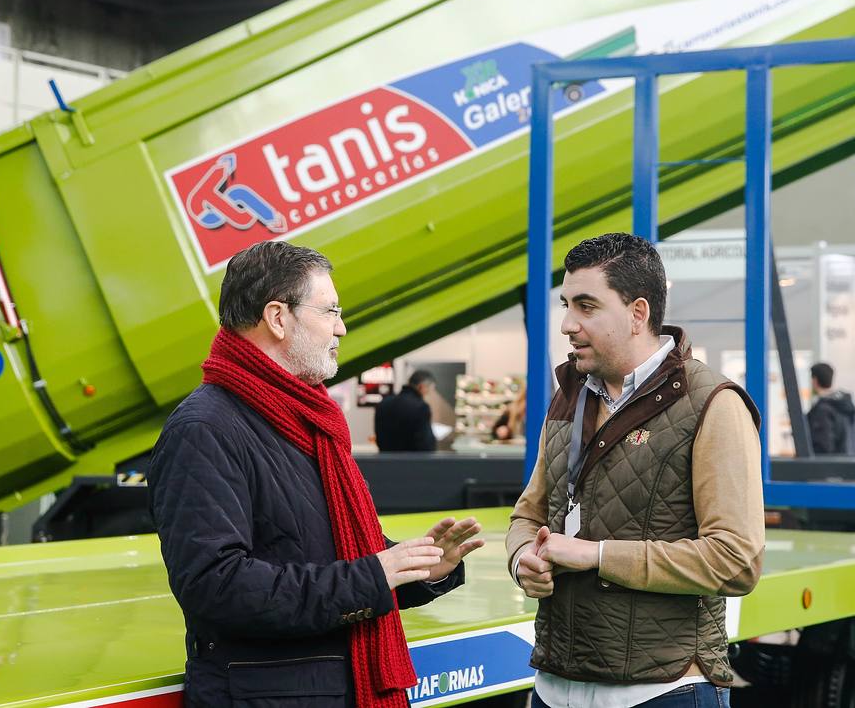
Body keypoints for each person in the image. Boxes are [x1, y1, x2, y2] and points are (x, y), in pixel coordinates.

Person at [149, 241, 485, 708]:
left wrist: (417, 570)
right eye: (330, 311)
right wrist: (372, 576)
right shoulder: (204, 429)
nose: (341, 327)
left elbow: (318, 549)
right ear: (277, 318)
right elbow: (217, 586)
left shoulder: (305, 420)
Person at [506, 233, 764, 707]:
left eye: (586, 306)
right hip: (554, 686)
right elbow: (528, 515)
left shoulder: (713, 404)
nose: (567, 324)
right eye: (566, 305)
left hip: (664, 690)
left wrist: (598, 555)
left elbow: (736, 560)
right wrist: (523, 558)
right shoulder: (568, 396)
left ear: (637, 313)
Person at [806, 362, 855, 456]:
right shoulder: (850, 407)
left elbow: (822, 447)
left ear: (814, 381)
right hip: (851, 462)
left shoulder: (823, 410)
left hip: (831, 465)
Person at [374, 370, 437, 452]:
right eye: (428, 390)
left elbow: (379, 438)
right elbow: (425, 444)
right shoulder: (421, 407)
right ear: (421, 387)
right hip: (411, 459)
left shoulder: (384, 403)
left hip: (384, 457)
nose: (428, 394)